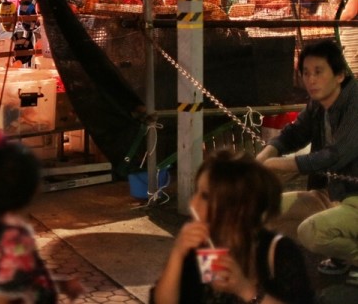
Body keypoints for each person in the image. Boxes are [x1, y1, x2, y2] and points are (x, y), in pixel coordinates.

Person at [152, 149, 313, 304]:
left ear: (239, 207)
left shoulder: (279, 253)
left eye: (205, 196)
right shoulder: (197, 246)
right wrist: (177, 254)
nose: (193, 203)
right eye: (196, 192)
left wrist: (246, 290)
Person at [256, 39, 358, 280]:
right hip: (329, 194)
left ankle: (349, 253)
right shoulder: (319, 104)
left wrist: (279, 165)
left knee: (311, 232)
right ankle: (339, 252)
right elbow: (293, 133)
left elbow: (336, 155)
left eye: (318, 72)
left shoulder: (355, 102)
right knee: (260, 213)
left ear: (340, 75)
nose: (311, 80)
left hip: (354, 197)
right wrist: (264, 156)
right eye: (306, 72)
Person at [0, 130, 84, 303]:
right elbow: (2, 295)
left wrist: (61, 284)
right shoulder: (15, 238)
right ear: (27, 190)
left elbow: (20, 277)